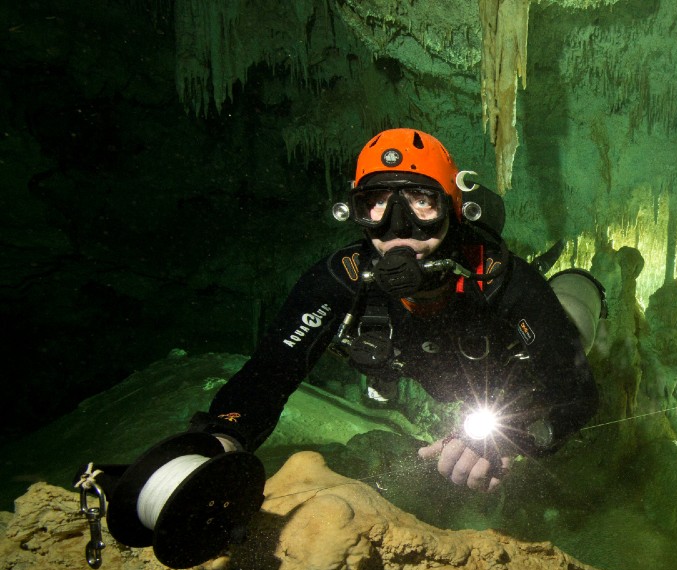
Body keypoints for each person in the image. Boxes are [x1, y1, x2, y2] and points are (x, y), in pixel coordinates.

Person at [189, 127, 601, 493]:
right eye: (378, 204)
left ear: (453, 209)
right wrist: (223, 439)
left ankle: (578, 289)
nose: (399, 227)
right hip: (440, 375)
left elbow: (574, 389)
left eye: (421, 201)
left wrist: (505, 435)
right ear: (358, 213)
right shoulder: (345, 277)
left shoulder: (497, 277)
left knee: (573, 326)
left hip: (503, 380)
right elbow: (270, 371)